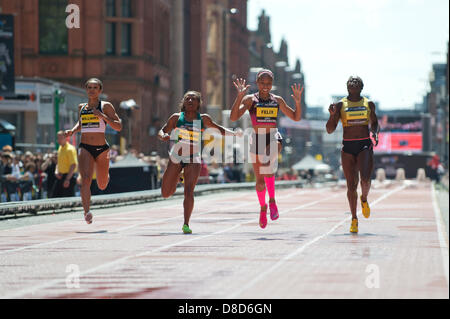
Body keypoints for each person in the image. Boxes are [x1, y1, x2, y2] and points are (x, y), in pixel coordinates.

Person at [158, 91, 240, 234]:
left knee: (189, 192)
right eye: (187, 98)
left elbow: (220, 129)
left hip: (193, 158)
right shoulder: (177, 118)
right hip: (177, 157)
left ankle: (186, 223)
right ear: (183, 102)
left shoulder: (203, 119)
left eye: (193, 99)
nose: (190, 100)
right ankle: (178, 176)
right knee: (166, 193)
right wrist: (163, 135)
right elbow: (162, 130)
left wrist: (234, 134)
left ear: (198, 103)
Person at [230, 69, 304, 229]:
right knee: (259, 182)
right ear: (257, 83)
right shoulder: (251, 100)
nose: (265, 86)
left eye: (269, 83)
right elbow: (234, 117)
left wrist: (297, 101)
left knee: (267, 164)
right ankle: (263, 208)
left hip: (273, 136)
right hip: (257, 139)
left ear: (272, 84)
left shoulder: (277, 100)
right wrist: (239, 97)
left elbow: (296, 117)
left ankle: (272, 201)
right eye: (262, 83)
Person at [326, 76, 379, 233]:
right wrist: (332, 114)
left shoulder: (368, 104)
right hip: (348, 146)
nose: (354, 83)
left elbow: (374, 123)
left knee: (365, 179)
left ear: (361, 87)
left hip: (364, 144)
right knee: (351, 185)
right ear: (347, 86)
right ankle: (354, 219)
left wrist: (374, 132)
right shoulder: (341, 105)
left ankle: (364, 198)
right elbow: (330, 129)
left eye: (357, 82)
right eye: (351, 81)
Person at [65, 78, 122, 224]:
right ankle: (87, 211)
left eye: (95, 87)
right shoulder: (82, 107)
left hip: (102, 149)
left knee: (102, 184)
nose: (92, 90)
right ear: (86, 89)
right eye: (89, 87)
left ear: (100, 90)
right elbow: (81, 123)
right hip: (85, 147)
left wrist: (102, 116)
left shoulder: (106, 106)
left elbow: (119, 126)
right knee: (85, 179)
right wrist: (72, 130)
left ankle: (105, 174)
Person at [53, 131, 78, 198]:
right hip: (60, 176)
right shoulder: (60, 148)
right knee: (55, 197)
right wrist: (56, 171)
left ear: (65, 138)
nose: (59, 140)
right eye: (58, 138)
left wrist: (67, 179)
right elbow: (58, 162)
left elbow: (73, 165)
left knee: (68, 199)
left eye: (61, 138)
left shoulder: (70, 149)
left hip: (69, 177)